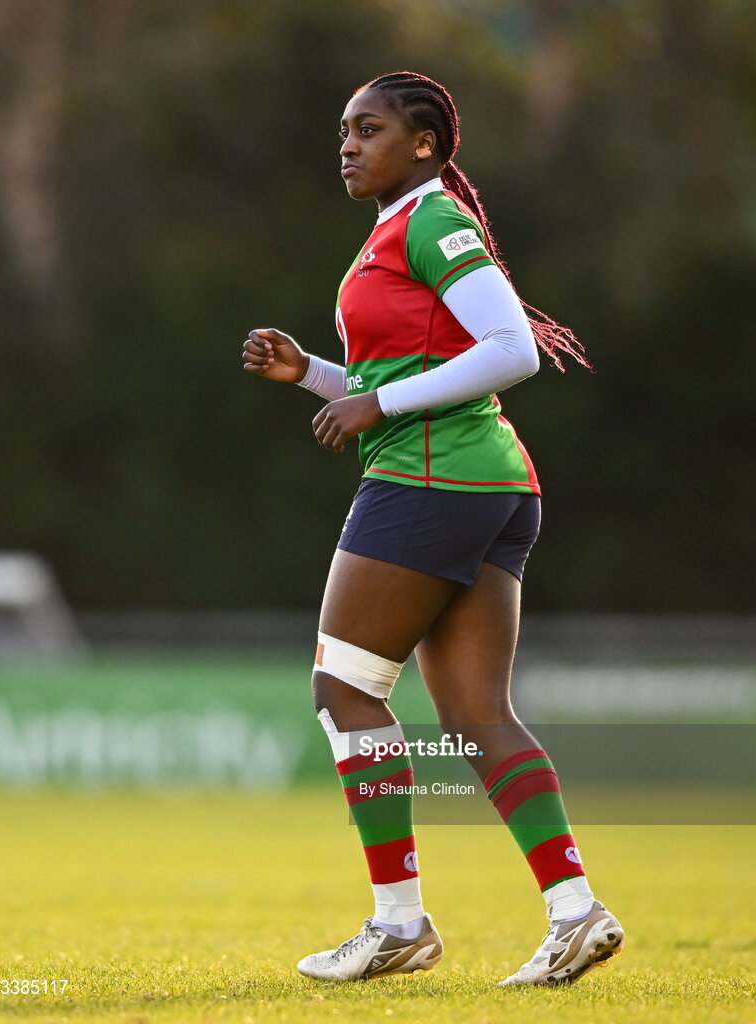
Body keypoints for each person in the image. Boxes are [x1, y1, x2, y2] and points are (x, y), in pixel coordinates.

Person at [242, 71, 624, 987]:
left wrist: (374, 406)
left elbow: (510, 352)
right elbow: (412, 377)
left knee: (345, 690)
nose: (347, 144)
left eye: (367, 129)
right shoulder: (395, 228)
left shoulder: (429, 219)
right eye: (343, 129)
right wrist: (312, 376)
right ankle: (574, 913)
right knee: (474, 714)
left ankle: (397, 924)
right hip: (484, 483)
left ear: (423, 144)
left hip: (430, 482)